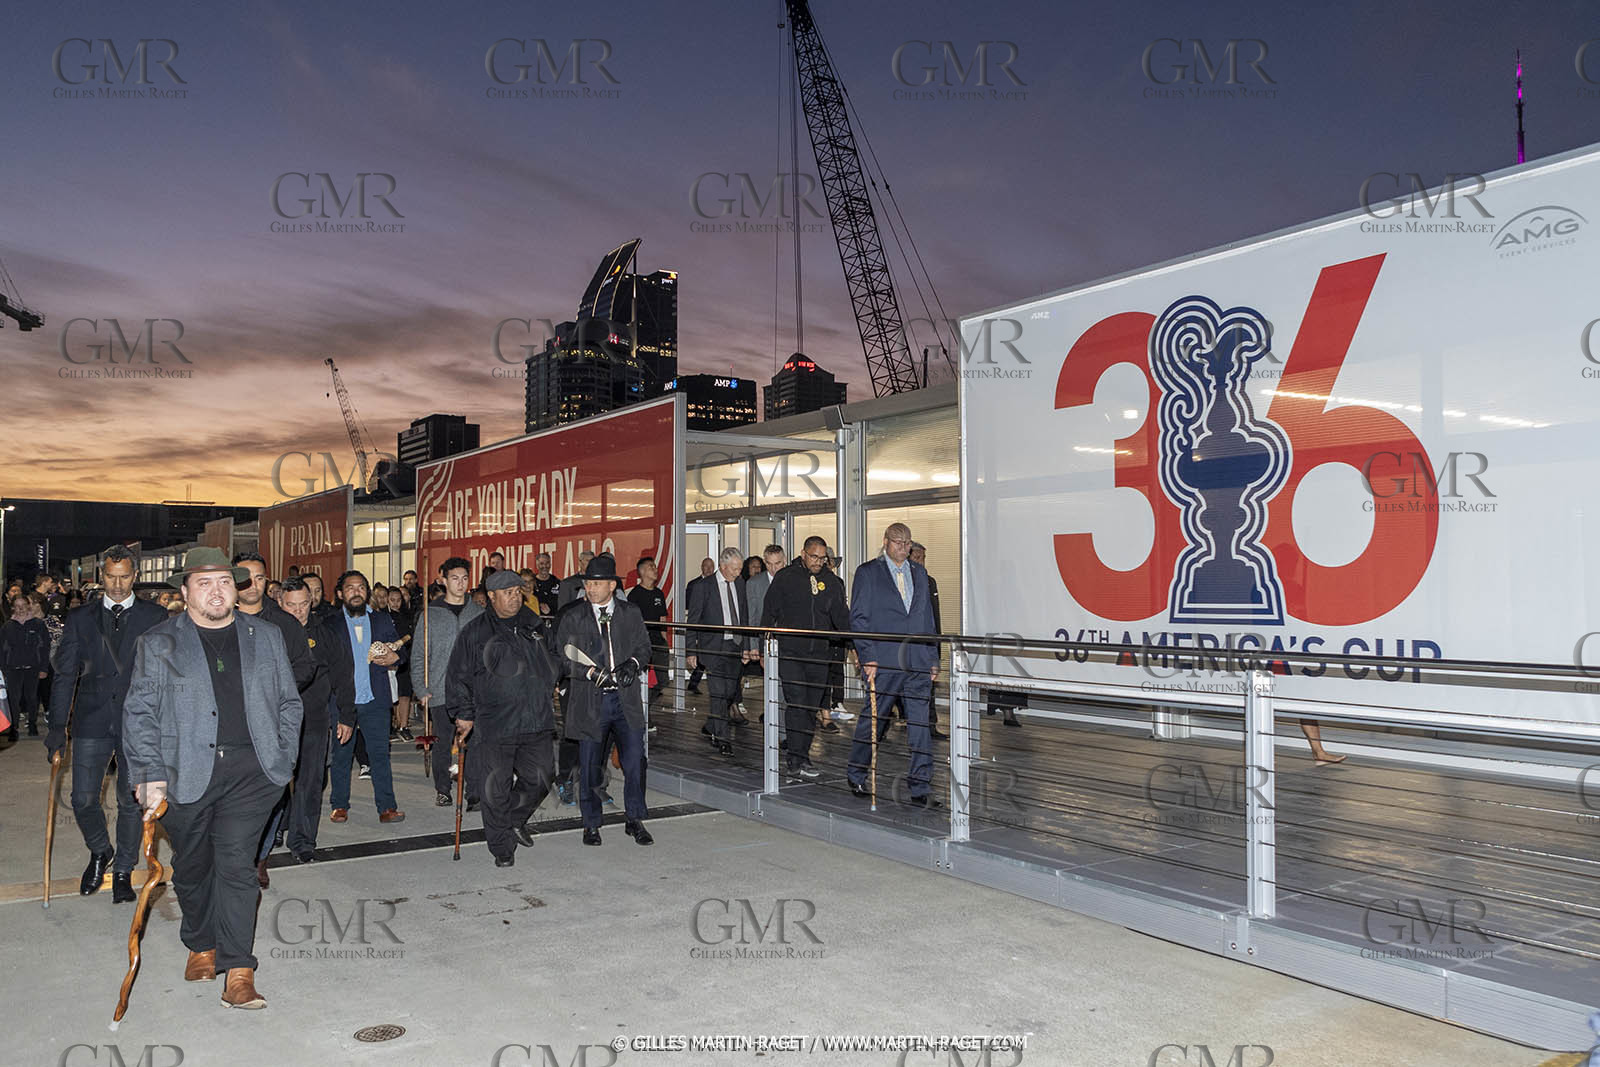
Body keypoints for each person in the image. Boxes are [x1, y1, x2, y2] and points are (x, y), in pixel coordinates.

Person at [122, 547, 303, 1010]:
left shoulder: (265, 635)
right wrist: (150, 776)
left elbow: (289, 702)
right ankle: (200, 941)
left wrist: (282, 761)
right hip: (186, 773)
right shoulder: (158, 642)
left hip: (253, 773)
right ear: (185, 593)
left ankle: (239, 970)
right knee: (193, 866)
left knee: (237, 867)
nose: (216, 591)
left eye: (224, 581)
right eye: (204, 583)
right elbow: (140, 713)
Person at [44, 545, 166, 900]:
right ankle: (101, 851)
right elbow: (65, 675)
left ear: (136, 576)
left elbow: (166, 676)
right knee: (82, 799)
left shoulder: (155, 617)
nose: (116, 584)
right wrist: (56, 727)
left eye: (124, 577)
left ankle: (125, 870)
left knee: (132, 801)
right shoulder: (80, 618)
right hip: (90, 721)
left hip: (138, 725)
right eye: (110, 577)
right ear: (101, 576)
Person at [447, 569, 558, 866]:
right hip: (494, 723)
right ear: (491, 597)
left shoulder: (533, 623)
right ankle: (502, 847)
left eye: (517, 591)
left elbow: (552, 658)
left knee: (542, 776)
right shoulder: (475, 633)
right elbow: (458, 677)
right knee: (495, 789)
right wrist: (464, 714)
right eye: (507, 593)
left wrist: (554, 677)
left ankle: (513, 819)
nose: (514, 597)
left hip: (535, 718)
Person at [552, 554, 654, 846]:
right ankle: (591, 824)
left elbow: (644, 647)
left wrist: (633, 664)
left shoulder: (630, 612)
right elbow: (561, 657)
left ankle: (634, 820)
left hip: (626, 702)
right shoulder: (573, 616)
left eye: (597, 583)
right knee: (590, 765)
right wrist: (588, 673)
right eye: (588, 583)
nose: (591, 588)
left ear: (612, 585)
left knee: (635, 762)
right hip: (590, 701)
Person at [231, 552, 317, 886]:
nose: (253, 584)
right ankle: (238, 855)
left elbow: (305, 666)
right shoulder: (217, 619)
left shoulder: (283, 624)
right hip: (229, 727)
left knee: (271, 791)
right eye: (246, 577)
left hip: (271, 723)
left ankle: (261, 856)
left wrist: (274, 690)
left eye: (261, 578)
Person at [846, 523, 939, 806]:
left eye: (907, 543)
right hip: (884, 661)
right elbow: (859, 618)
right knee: (874, 719)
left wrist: (933, 656)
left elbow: (927, 618)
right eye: (898, 542)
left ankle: (920, 786)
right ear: (885, 542)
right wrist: (867, 656)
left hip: (918, 662)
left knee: (921, 725)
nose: (903, 547)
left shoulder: (919, 573)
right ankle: (857, 772)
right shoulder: (868, 572)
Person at [761, 537, 849, 779]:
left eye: (822, 558)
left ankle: (803, 756)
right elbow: (769, 612)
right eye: (813, 557)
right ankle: (793, 757)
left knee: (810, 706)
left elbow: (842, 617)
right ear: (803, 554)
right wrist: (763, 647)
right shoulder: (786, 578)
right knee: (797, 702)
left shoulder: (832, 582)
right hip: (790, 652)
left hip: (819, 654)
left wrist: (857, 646)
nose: (818, 562)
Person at [324, 570, 406, 824]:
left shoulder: (382, 620)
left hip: (375, 699)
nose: (356, 592)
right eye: (350, 588)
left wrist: (396, 659)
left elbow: (397, 651)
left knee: (379, 755)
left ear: (367, 592)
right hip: (342, 701)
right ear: (340, 594)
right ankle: (339, 805)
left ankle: (387, 807)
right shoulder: (330, 624)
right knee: (342, 755)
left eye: (361, 587)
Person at [411, 557, 484, 807]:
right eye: (455, 578)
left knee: (474, 742)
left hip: (472, 690)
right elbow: (419, 655)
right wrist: (421, 688)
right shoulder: (430, 614)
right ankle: (443, 788)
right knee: (442, 743)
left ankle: (473, 789)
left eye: (465, 578)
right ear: (443, 580)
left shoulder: (478, 613)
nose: (460, 583)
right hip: (439, 690)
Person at [276, 577, 337, 863]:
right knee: (275, 781)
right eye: (291, 606)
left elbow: (342, 673)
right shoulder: (269, 632)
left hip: (313, 718)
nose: (298, 612)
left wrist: (345, 715)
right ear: (279, 603)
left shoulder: (323, 633)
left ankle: (302, 841)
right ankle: (274, 828)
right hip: (275, 719)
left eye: (303, 605)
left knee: (310, 782)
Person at [687, 548, 755, 755]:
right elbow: (694, 620)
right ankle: (723, 738)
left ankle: (711, 725)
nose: (738, 572)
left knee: (729, 692)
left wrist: (746, 646)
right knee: (718, 693)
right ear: (723, 567)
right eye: (734, 569)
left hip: (735, 645)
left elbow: (744, 616)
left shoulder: (741, 584)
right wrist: (691, 650)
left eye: (740, 568)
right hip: (713, 646)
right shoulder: (703, 587)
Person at [909, 542, 948, 741]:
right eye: (917, 557)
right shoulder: (904, 582)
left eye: (923, 558)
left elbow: (935, 616)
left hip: (929, 645)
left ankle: (930, 726)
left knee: (929, 689)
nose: (921, 562)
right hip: (909, 648)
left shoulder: (930, 581)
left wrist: (937, 646)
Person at [0, 593, 48, 738]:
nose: (20, 609)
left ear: (28, 606)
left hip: (32, 667)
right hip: (12, 668)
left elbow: (45, 647)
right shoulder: (7, 627)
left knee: (32, 697)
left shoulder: (38, 624)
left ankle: (32, 724)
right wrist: (3, 668)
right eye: (17, 606)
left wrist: (44, 668)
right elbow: (1, 649)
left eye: (23, 606)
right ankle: (13, 727)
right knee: (14, 699)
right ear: (13, 608)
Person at [626, 556, 669, 708]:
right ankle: (642, 714)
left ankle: (645, 709)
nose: (655, 570)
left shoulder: (659, 593)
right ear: (642, 571)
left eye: (655, 567)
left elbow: (662, 618)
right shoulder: (634, 595)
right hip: (642, 643)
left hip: (658, 642)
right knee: (642, 680)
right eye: (651, 567)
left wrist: (665, 640)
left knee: (663, 680)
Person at [681, 557, 715, 694]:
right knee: (701, 656)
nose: (709, 569)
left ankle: (694, 683)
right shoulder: (694, 584)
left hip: (711, 627)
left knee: (703, 657)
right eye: (706, 566)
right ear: (702, 567)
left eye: (711, 567)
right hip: (699, 626)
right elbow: (690, 605)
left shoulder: (716, 584)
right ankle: (694, 683)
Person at [385, 588, 415, 741]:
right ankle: (391, 725)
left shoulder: (407, 615)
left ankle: (404, 725)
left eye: (399, 600)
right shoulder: (383, 617)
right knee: (390, 693)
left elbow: (411, 634)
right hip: (389, 659)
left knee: (405, 692)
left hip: (405, 658)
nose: (396, 603)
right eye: (392, 600)